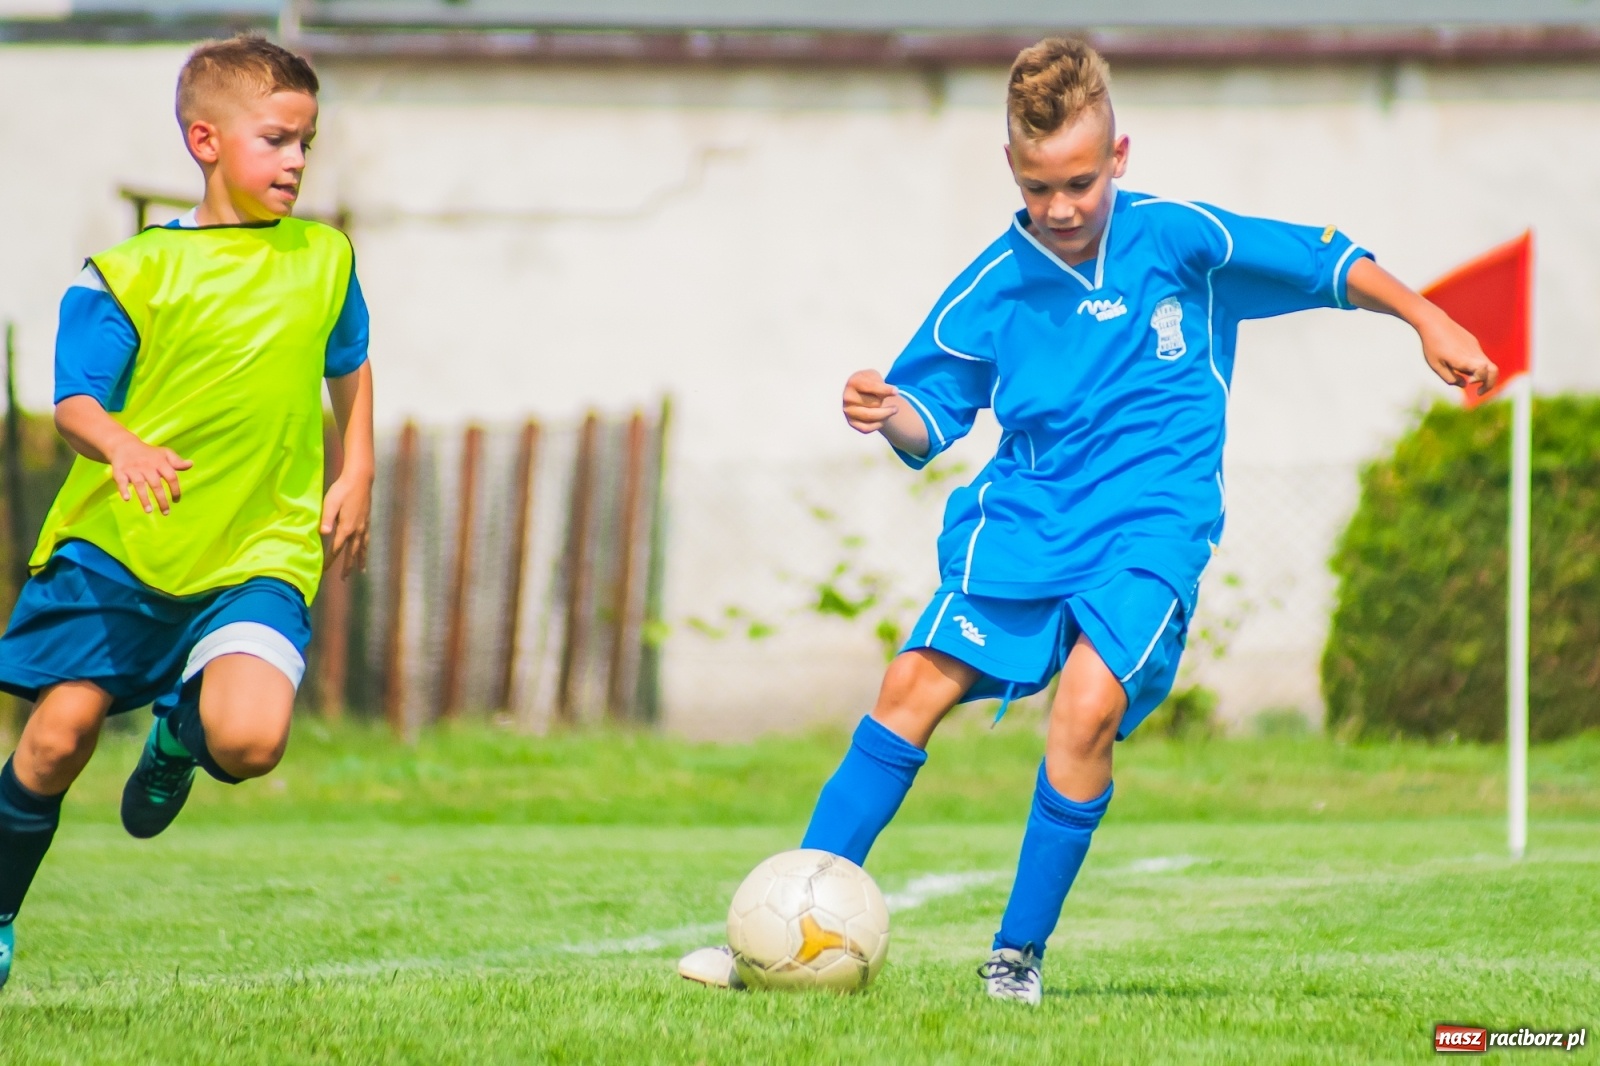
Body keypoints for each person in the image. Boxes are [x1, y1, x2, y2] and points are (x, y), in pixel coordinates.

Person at [679, 36, 1494, 1005]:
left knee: (1085, 707)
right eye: (1038, 187)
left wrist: (1426, 318)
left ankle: (1014, 958)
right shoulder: (992, 286)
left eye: (1078, 182)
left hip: (1151, 527)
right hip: (1026, 524)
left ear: (1118, 156)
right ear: (1012, 171)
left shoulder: (1180, 242)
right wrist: (882, 408)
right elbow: (928, 414)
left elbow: (1324, 260)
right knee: (906, 686)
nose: (1060, 208)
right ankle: (779, 924)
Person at [0, 33, 375, 989]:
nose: (295, 161)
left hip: (258, 546)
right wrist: (123, 446)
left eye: (307, 143)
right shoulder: (130, 271)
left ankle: (177, 734)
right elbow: (76, 400)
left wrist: (357, 466)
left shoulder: (324, 258)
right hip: (122, 549)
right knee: (56, 739)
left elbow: (349, 360)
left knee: (249, 742)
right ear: (205, 141)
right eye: (277, 140)